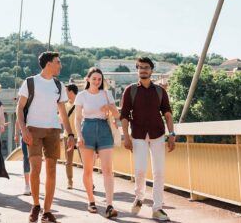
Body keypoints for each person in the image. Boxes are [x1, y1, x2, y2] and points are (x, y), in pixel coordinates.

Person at [16, 51, 75, 223]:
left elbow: (63, 113)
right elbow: (19, 108)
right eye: (58, 62)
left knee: (51, 170)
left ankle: (47, 211)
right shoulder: (30, 82)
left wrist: (70, 133)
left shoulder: (58, 85)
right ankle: (35, 205)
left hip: (53, 131)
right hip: (33, 129)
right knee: (36, 169)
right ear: (49, 63)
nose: (60, 65)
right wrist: (24, 130)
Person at [120, 57, 175, 221]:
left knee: (159, 172)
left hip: (158, 134)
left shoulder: (160, 91)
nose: (143, 70)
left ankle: (157, 208)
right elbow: (124, 115)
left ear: (151, 70)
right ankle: (139, 197)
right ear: (137, 70)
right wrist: (125, 136)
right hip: (137, 135)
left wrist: (172, 135)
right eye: (140, 67)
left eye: (146, 67)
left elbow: (167, 114)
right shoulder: (130, 90)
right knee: (140, 169)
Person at [75, 67, 120, 218]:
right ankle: (91, 201)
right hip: (87, 129)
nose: (97, 81)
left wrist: (109, 107)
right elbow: (77, 118)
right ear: (87, 79)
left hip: (103, 129)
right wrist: (79, 135)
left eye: (99, 79)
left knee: (108, 169)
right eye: (94, 78)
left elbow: (117, 114)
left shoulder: (106, 94)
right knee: (88, 170)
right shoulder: (81, 96)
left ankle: (109, 205)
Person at [63, 83, 81, 190]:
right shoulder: (65, 106)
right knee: (68, 161)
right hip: (67, 136)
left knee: (85, 160)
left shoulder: (80, 104)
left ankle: (89, 182)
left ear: (70, 91)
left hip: (79, 136)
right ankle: (70, 181)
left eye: (66, 91)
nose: (65, 93)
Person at [14, 115, 31, 195]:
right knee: (26, 158)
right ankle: (27, 185)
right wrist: (16, 134)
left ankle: (34, 183)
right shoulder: (22, 104)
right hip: (24, 135)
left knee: (35, 159)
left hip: (36, 134)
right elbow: (18, 120)